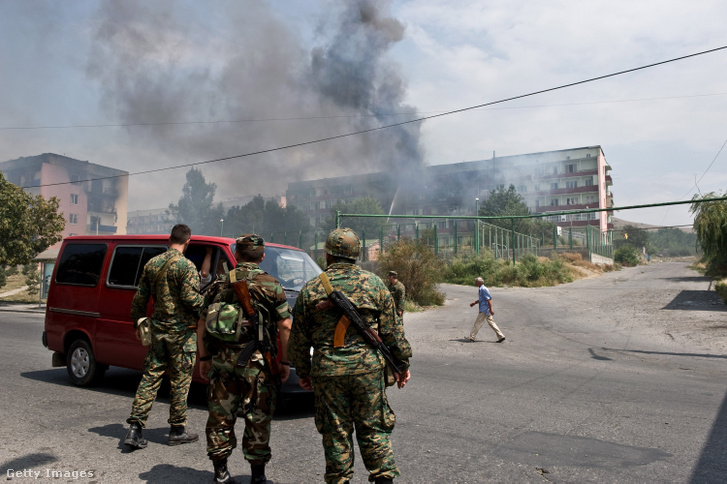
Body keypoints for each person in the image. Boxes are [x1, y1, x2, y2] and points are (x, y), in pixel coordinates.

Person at [289, 227, 412, 484]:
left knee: (336, 432)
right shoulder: (375, 284)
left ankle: (340, 479)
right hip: (368, 371)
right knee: (374, 428)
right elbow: (393, 332)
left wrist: (303, 372)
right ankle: (383, 478)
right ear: (356, 254)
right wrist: (402, 364)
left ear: (328, 255)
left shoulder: (312, 288)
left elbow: (299, 339)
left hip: (328, 372)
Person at [197, 234, 292, 484]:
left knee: (220, 416)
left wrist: (204, 357)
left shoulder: (218, 284)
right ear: (262, 257)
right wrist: (285, 362)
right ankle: (257, 477)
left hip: (220, 361)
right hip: (257, 365)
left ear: (236, 255)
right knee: (257, 417)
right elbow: (285, 326)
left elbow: (201, 323)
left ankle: (220, 473)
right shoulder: (271, 284)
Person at [124, 224, 205, 449]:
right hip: (182, 335)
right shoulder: (187, 266)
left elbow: (139, 298)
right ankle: (177, 429)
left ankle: (134, 428)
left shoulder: (152, 263)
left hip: (158, 331)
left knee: (150, 378)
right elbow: (190, 299)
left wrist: (137, 321)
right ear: (188, 242)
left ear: (170, 239)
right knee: (180, 381)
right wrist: (207, 307)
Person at [468, 277, 506, 343]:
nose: (475, 283)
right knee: (492, 323)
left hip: (484, 310)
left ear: (480, 282)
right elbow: (482, 299)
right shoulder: (481, 289)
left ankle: (472, 337)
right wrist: (474, 303)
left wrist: (491, 309)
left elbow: (489, 299)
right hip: (486, 309)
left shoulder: (483, 289)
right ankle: (501, 336)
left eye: (476, 282)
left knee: (478, 323)